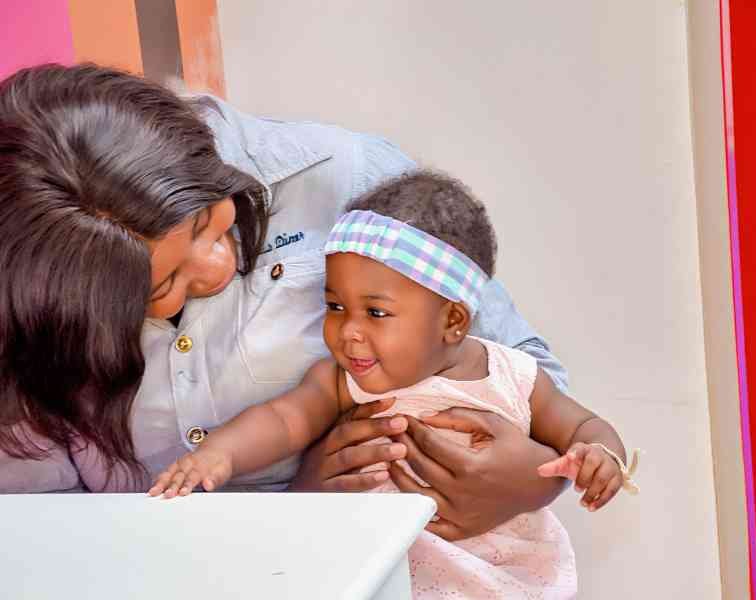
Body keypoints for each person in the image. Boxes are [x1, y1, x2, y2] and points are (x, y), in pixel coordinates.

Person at [0, 63, 568, 539]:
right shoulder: (26, 324)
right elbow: (47, 535)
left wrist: (533, 477)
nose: (220, 266)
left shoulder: (341, 177)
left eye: (208, 220)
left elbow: (526, 378)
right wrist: (303, 499)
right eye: (163, 285)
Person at [150, 172, 640, 599]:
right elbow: (284, 418)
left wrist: (602, 456)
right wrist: (221, 454)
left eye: (376, 312)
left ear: (452, 320)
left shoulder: (513, 376)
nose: (348, 331)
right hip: (388, 577)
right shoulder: (343, 383)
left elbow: (584, 426)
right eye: (336, 306)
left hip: (505, 581)